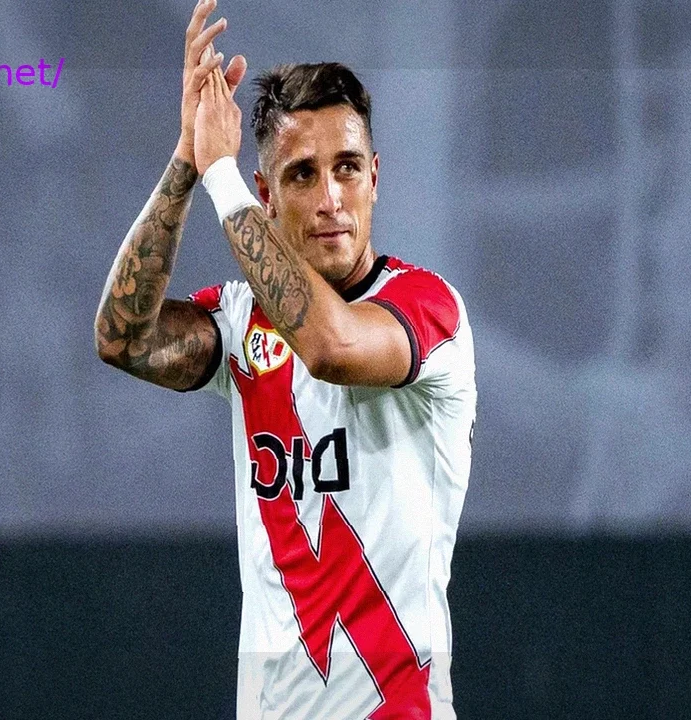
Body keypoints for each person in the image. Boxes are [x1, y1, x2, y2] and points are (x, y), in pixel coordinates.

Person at [94, 2, 476, 716]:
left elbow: (329, 347)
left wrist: (222, 176)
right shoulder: (243, 322)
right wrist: (188, 160)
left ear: (375, 178)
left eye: (347, 168)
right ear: (267, 195)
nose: (331, 197)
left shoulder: (428, 309)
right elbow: (123, 338)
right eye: (302, 175)